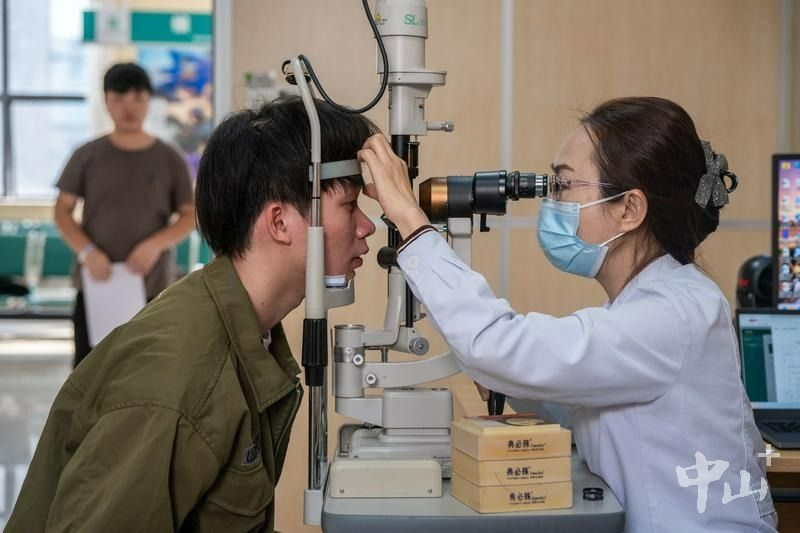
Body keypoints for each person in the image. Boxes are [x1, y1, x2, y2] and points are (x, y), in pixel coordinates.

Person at [359, 96, 778, 532]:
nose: (551, 201)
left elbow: (497, 346)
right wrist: (518, 385)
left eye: (563, 185)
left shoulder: (674, 314)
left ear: (629, 209)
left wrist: (410, 219)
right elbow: (606, 420)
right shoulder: (648, 304)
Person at [7, 97, 377, 532]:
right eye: (349, 206)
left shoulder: (247, 336)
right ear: (279, 223)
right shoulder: (180, 377)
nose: (367, 226)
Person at [53, 62, 196, 368]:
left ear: (149, 101)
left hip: (152, 286)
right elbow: (62, 211)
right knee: (89, 373)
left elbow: (189, 214)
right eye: (119, 99)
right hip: (96, 283)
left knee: (148, 372)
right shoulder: (87, 155)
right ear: (106, 101)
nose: (128, 108)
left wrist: (155, 245)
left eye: (137, 99)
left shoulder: (169, 158)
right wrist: (87, 251)